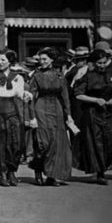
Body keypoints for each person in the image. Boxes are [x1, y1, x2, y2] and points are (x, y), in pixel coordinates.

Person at [29, 47, 74, 187]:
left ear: (52, 60)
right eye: (40, 59)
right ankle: (38, 171)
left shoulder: (60, 76)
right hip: (41, 108)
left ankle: (52, 175)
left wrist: (69, 115)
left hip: (57, 109)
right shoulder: (36, 76)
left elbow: (65, 97)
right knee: (43, 142)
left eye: (45, 59)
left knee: (56, 143)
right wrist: (32, 116)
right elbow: (30, 97)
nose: (42, 62)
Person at [73, 49, 112, 185]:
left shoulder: (110, 75)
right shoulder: (87, 77)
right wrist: (96, 100)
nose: (102, 65)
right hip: (92, 113)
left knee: (111, 141)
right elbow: (78, 94)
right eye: (99, 63)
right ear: (93, 63)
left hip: (108, 112)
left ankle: (105, 166)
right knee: (97, 142)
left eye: (104, 62)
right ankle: (100, 172)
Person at [0, 48, 26, 187]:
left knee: (15, 141)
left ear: (10, 62)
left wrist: (26, 95)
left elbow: (20, 93)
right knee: (0, 141)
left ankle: (12, 171)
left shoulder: (18, 77)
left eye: (3, 60)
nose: (0, 62)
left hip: (13, 108)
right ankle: (3, 172)